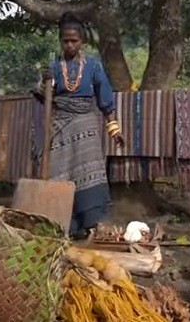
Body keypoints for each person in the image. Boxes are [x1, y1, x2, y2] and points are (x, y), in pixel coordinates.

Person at [33, 13, 124, 239]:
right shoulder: (53, 66)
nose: (70, 44)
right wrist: (43, 84)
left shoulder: (93, 66)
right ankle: (63, 223)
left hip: (86, 122)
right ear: (61, 41)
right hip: (60, 123)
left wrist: (114, 129)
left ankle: (90, 223)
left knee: (90, 172)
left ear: (82, 41)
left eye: (74, 40)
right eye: (66, 40)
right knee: (59, 170)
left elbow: (104, 98)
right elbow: (44, 98)